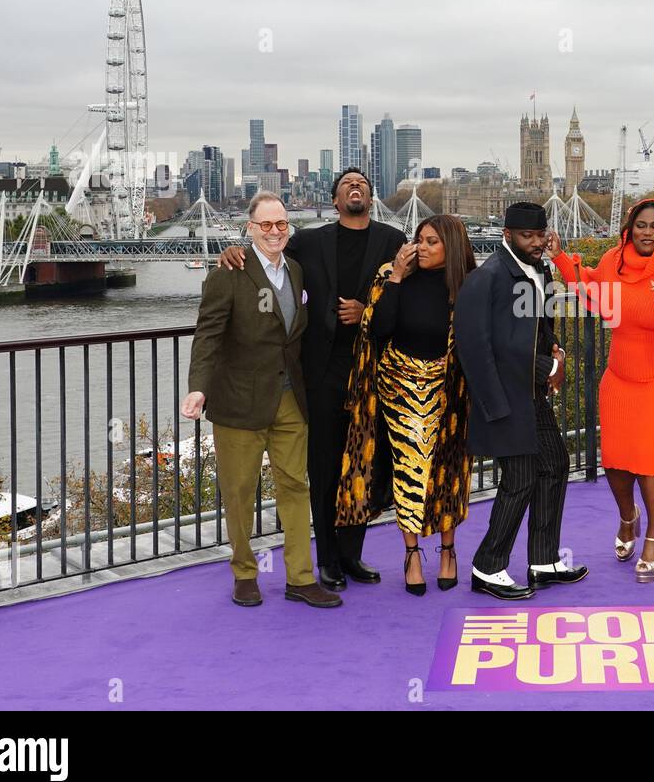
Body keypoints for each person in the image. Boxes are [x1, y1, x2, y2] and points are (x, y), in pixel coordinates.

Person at [219, 168, 405, 591]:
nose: (354, 188)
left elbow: (407, 297)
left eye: (361, 184)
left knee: (361, 466)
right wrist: (232, 253)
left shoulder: (393, 243)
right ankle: (326, 561)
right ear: (335, 200)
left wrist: (367, 314)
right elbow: (269, 255)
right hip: (318, 375)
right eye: (345, 185)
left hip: (370, 374)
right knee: (322, 470)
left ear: (371, 198)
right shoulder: (309, 241)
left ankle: (352, 555)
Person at [181, 193, 341, 609]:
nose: (274, 232)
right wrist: (198, 387)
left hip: (290, 401)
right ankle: (244, 572)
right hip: (239, 404)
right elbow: (208, 335)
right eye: (265, 225)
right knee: (239, 492)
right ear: (250, 228)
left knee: (295, 487)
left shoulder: (298, 272)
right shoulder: (228, 273)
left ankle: (300, 578)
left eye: (281, 224)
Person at [546, 199, 654, 582]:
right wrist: (559, 259)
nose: (648, 232)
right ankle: (628, 518)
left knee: (652, 457)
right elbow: (590, 286)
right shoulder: (614, 262)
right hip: (622, 374)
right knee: (616, 460)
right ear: (630, 227)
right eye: (641, 225)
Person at [454, 202, 588, 600]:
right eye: (526, 236)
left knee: (555, 464)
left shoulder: (541, 272)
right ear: (506, 235)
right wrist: (493, 405)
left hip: (532, 395)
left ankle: (543, 561)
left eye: (540, 235)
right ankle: (487, 567)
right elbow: (475, 348)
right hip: (504, 398)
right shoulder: (487, 278)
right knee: (521, 478)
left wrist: (557, 356)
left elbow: (542, 331)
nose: (535, 242)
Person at [336, 215, 476, 596]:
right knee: (410, 471)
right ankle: (412, 554)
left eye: (432, 241)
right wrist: (396, 277)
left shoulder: (466, 285)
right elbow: (379, 328)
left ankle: (448, 551)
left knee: (447, 473)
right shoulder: (392, 276)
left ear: (452, 245)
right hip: (400, 389)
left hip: (449, 392)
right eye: (419, 240)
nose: (422, 247)